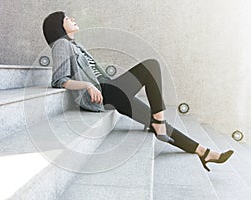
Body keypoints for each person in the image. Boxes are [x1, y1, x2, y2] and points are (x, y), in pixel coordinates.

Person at [42, 11, 233, 172]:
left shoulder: (76, 45)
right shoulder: (61, 44)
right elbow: (59, 81)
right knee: (150, 67)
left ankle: (204, 153)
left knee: (156, 117)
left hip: (110, 88)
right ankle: (160, 123)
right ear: (58, 26)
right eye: (66, 18)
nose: (72, 19)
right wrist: (87, 86)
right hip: (103, 92)